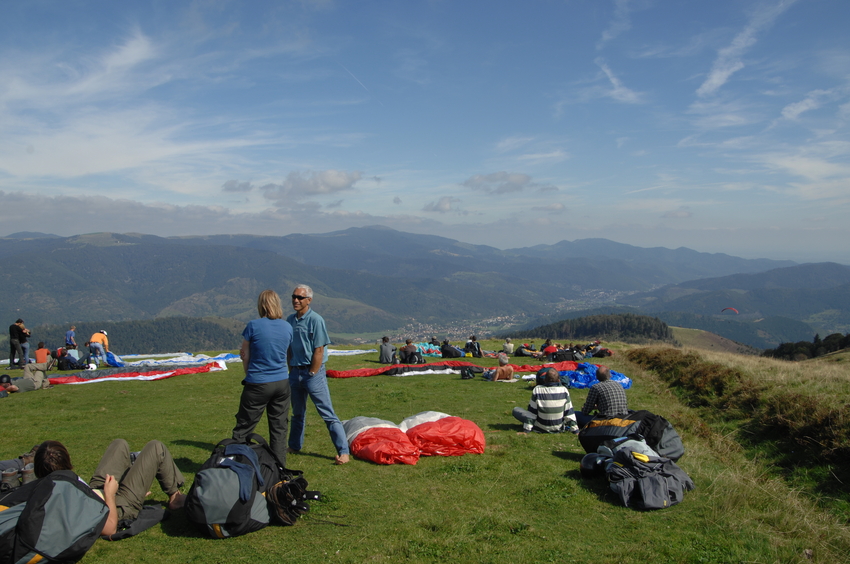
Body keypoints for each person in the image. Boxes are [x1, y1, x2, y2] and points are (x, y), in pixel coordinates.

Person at [33, 439, 186, 539]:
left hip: (96, 491)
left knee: (119, 445)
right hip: (113, 505)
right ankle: (175, 496)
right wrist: (110, 494)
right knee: (156, 447)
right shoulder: (63, 495)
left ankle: (131, 479)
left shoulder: (44, 488)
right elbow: (110, 528)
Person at [287, 284, 350, 465]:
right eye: (294, 297)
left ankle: (343, 452)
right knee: (297, 414)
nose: (296, 300)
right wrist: (291, 369)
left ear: (309, 300)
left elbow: (319, 350)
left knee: (327, 414)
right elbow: (289, 348)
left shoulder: (316, 320)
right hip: (295, 372)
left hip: (312, 373)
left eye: (300, 297)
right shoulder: (290, 320)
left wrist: (312, 372)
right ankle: (294, 446)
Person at [232, 289, 293, 468]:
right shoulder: (287, 327)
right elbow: (288, 354)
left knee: (244, 427)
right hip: (282, 382)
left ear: (262, 305)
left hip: (258, 382)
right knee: (279, 428)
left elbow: (245, 354)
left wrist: (248, 374)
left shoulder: (253, 326)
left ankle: (235, 465)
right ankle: (279, 469)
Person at [512, 368, 578, 433]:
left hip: (540, 427)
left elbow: (532, 413)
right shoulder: (564, 390)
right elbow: (569, 412)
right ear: (558, 380)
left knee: (516, 410)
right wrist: (575, 430)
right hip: (558, 427)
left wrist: (526, 430)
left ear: (545, 379)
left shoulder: (537, 390)